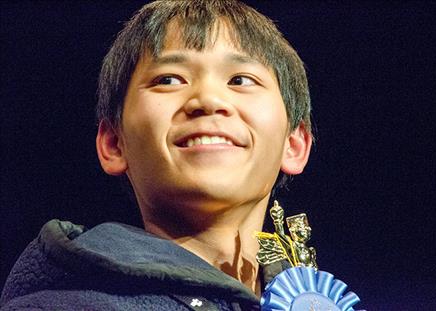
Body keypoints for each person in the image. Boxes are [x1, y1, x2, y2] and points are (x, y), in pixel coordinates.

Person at [0, 1, 313, 310]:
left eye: (240, 80)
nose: (208, 99)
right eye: (169, 79)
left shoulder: (315, 301)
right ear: (113, 144)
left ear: (294, 143)